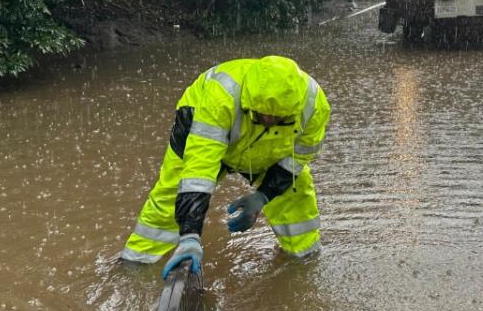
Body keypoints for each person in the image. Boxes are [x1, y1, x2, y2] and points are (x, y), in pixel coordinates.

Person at [121, 55, 331, 278]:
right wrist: (190, 236)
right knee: (170, 198)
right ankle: (135, 267)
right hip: (201, 129)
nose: (268, 119)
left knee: (295, 197)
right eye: (262, 114)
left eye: (276, 117)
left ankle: (304, 264)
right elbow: (198, 171)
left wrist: (263, 196)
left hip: (273, 146)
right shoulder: (220, 96)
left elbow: (295, 161)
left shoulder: (314, 106)